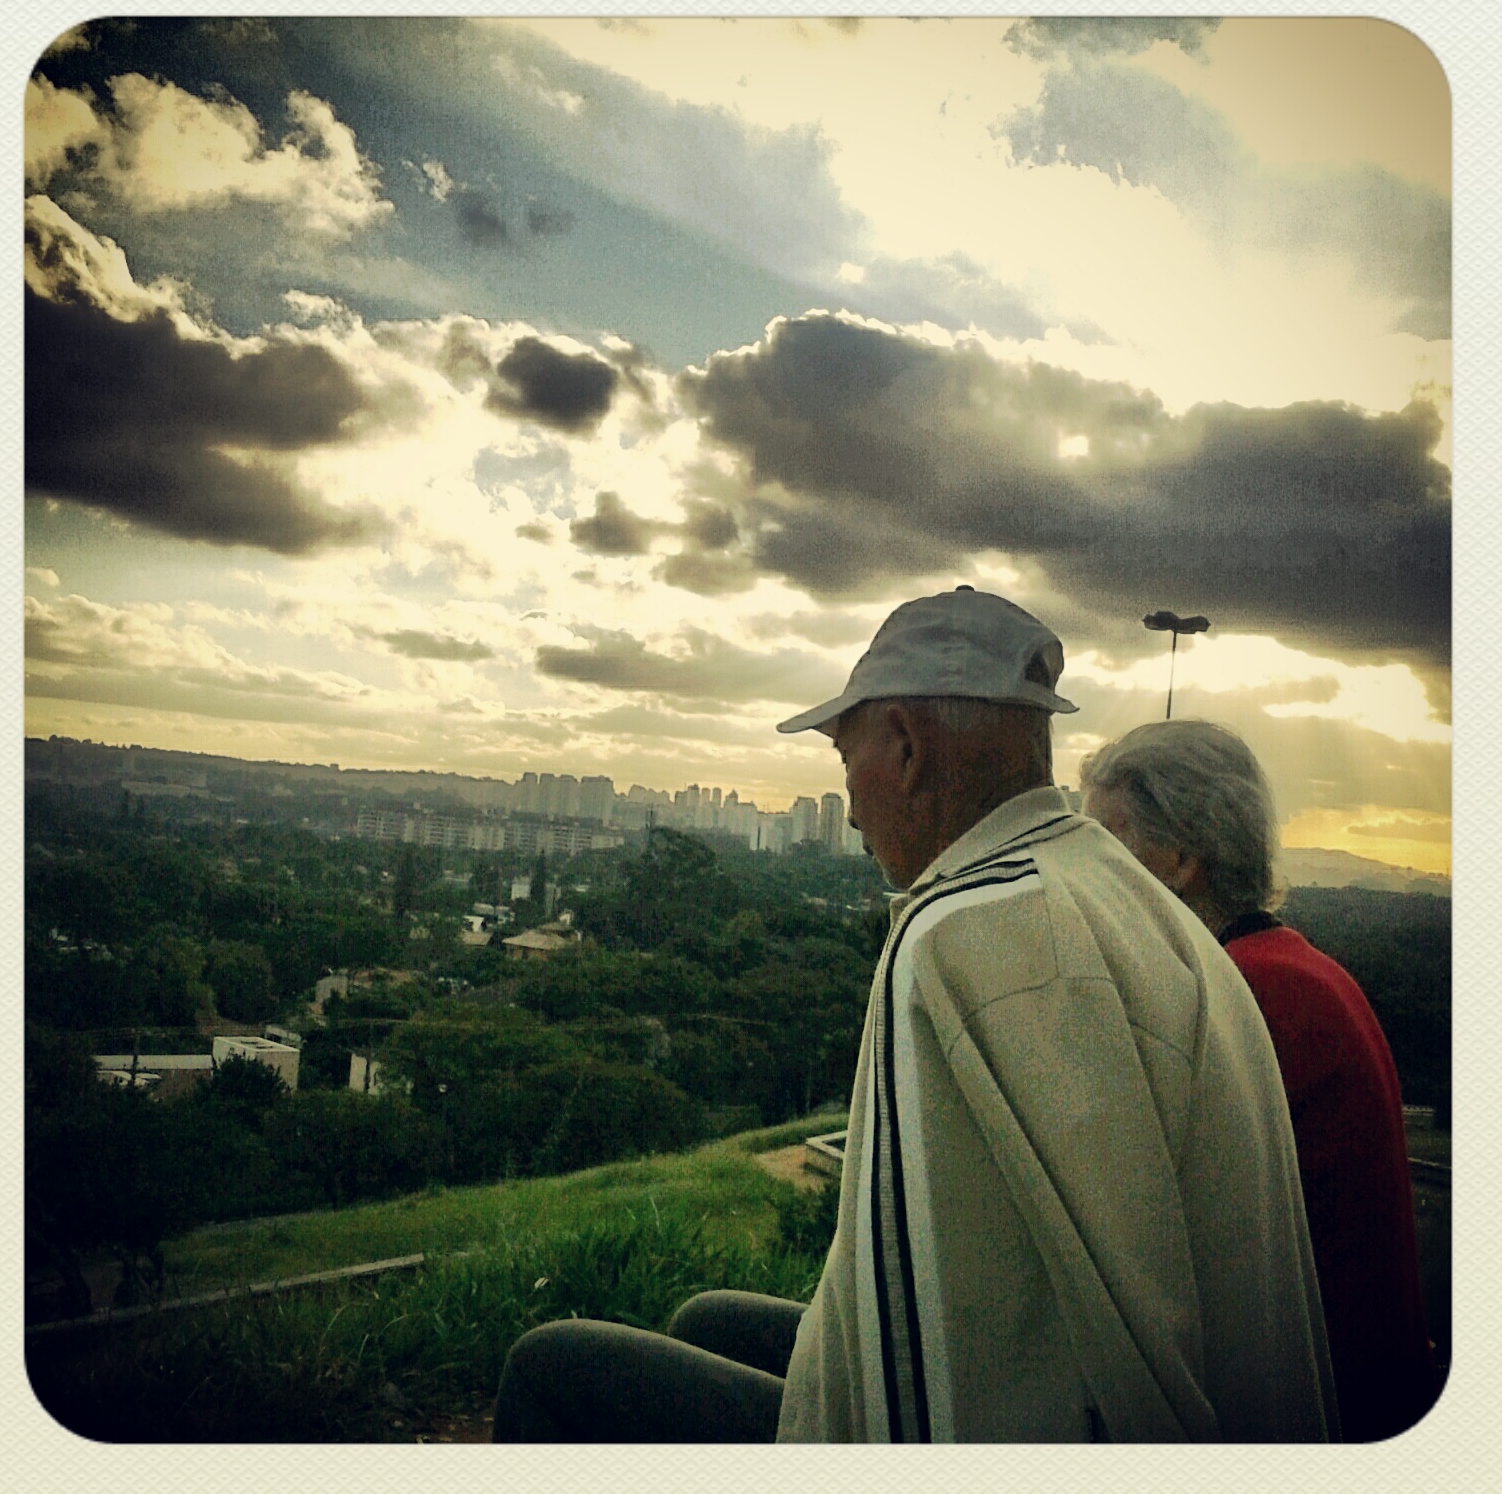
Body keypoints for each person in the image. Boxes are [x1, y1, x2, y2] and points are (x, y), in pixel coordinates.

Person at [493, 587, 1337, 1442]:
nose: (851, 806)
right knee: (708, 1317)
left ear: (903, 746)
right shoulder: (1137, 906)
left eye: (842, 759)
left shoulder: (955, 932)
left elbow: (930, 1376)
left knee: (551, 1366)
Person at [1080, 719, 1438, 1441]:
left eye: (1106, 848)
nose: (1090, 879)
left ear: (1182, 857)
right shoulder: (1295, 969)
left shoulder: (1248, 997)